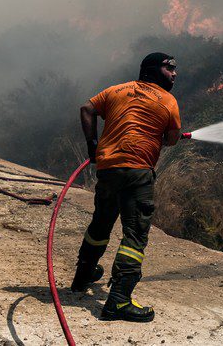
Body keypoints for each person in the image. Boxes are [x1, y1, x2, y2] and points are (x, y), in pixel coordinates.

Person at [70, 52, 184, 322]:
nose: (175, 74)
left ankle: (82, 277)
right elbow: (171, 140)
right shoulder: (168, 101)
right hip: (137, 173)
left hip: (108, 169)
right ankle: (119, 301)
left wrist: (93, 145)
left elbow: (86, 109)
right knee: (134, 235)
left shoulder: (116, 90)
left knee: (101, 224)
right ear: (154, 70)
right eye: (170, 69)